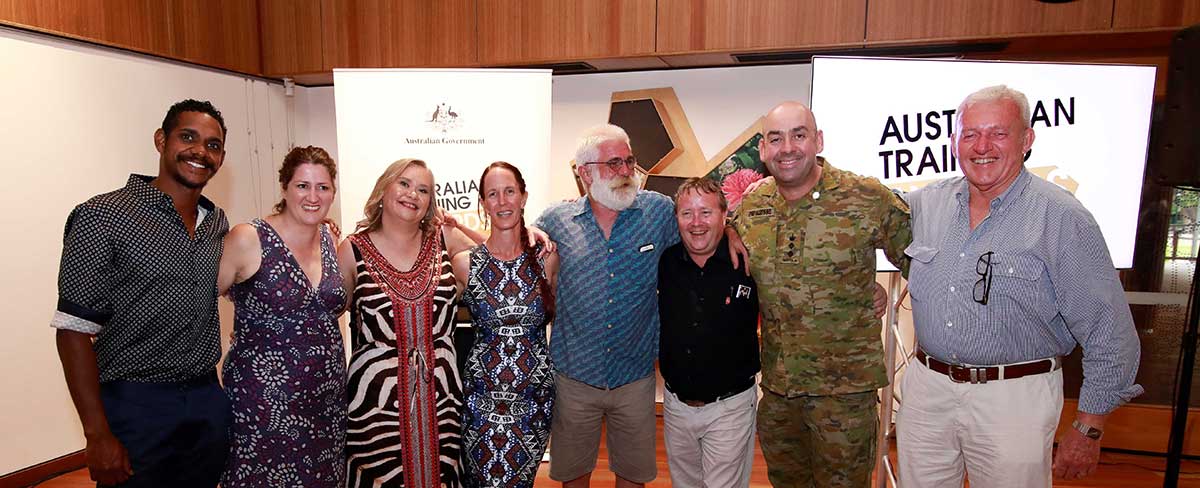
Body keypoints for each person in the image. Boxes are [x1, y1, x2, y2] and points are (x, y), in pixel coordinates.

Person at [897, 85, 1143, 487]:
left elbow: (1108, 331)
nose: (982, 146)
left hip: (1014, 400)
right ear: (954, 141)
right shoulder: (927, 204)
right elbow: (859, 220)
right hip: (928, 392)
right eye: (970, 134)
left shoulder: (1062, 218)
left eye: (998, 133)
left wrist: (1089, 427)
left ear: (1027, 140)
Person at [535, 124, 748, 488]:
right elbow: (520, 244)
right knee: (573, 476)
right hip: (573, 374)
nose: (625, 172)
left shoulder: (658, 211)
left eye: (629, 161)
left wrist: (730, 231)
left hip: (634, 376)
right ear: (584, 172)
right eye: (613, 163)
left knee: (634, 476)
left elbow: (700, 225)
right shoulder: (556, 220)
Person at [52, 99, 232, 487]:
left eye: (213, 144)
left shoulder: (215, 221)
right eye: (188, 137)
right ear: (161, 141)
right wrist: (96, 435)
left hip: (205, 401)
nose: (201, 151)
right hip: (136, 405)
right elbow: (71, 331)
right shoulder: (103, 216)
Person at [731, 101, 911, 487]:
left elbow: (923, 262)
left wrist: (872, 290)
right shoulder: (752, 205)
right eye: (775, 138)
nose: (788, 147)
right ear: (763, 150)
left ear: (819, 141)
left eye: (799, 134)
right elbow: (718, 241)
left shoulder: (865, 198)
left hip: (844, 395)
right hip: (780, 391)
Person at [337, 158, 478, 487]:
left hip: (441, 394)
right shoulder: (352, 249)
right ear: (384, 189)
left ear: (431, 203)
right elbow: (332, 312)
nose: (412, 193)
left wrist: (526, 233)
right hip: (375, 402)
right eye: (404, 183)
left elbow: (500, 255)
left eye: (423, 189)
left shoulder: (444, 240)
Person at [217, 146, 347, 487]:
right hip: (264, 404)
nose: (313, 196)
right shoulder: (249, 238)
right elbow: (198, 302)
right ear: (284, 188)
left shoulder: (331, 239)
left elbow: (326, 309)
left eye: (323, 187)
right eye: (302, 185)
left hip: (326, 402)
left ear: (333, 191)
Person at [453, 161, 559, 488]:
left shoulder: (547, 258)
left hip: (533, 403)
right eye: (493, 194)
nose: (502, 202)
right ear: (483, 204)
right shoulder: (465, 264)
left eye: (509, 192)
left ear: (523, 197)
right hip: (480, 403)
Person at [657, 178, 760, 488]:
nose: (696, 223)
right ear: (676, 218)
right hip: (676, 407)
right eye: (687, 213)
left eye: (706, 212)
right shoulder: (666, 262)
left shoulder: (748, 261)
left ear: (724, 215)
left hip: (729, 406)